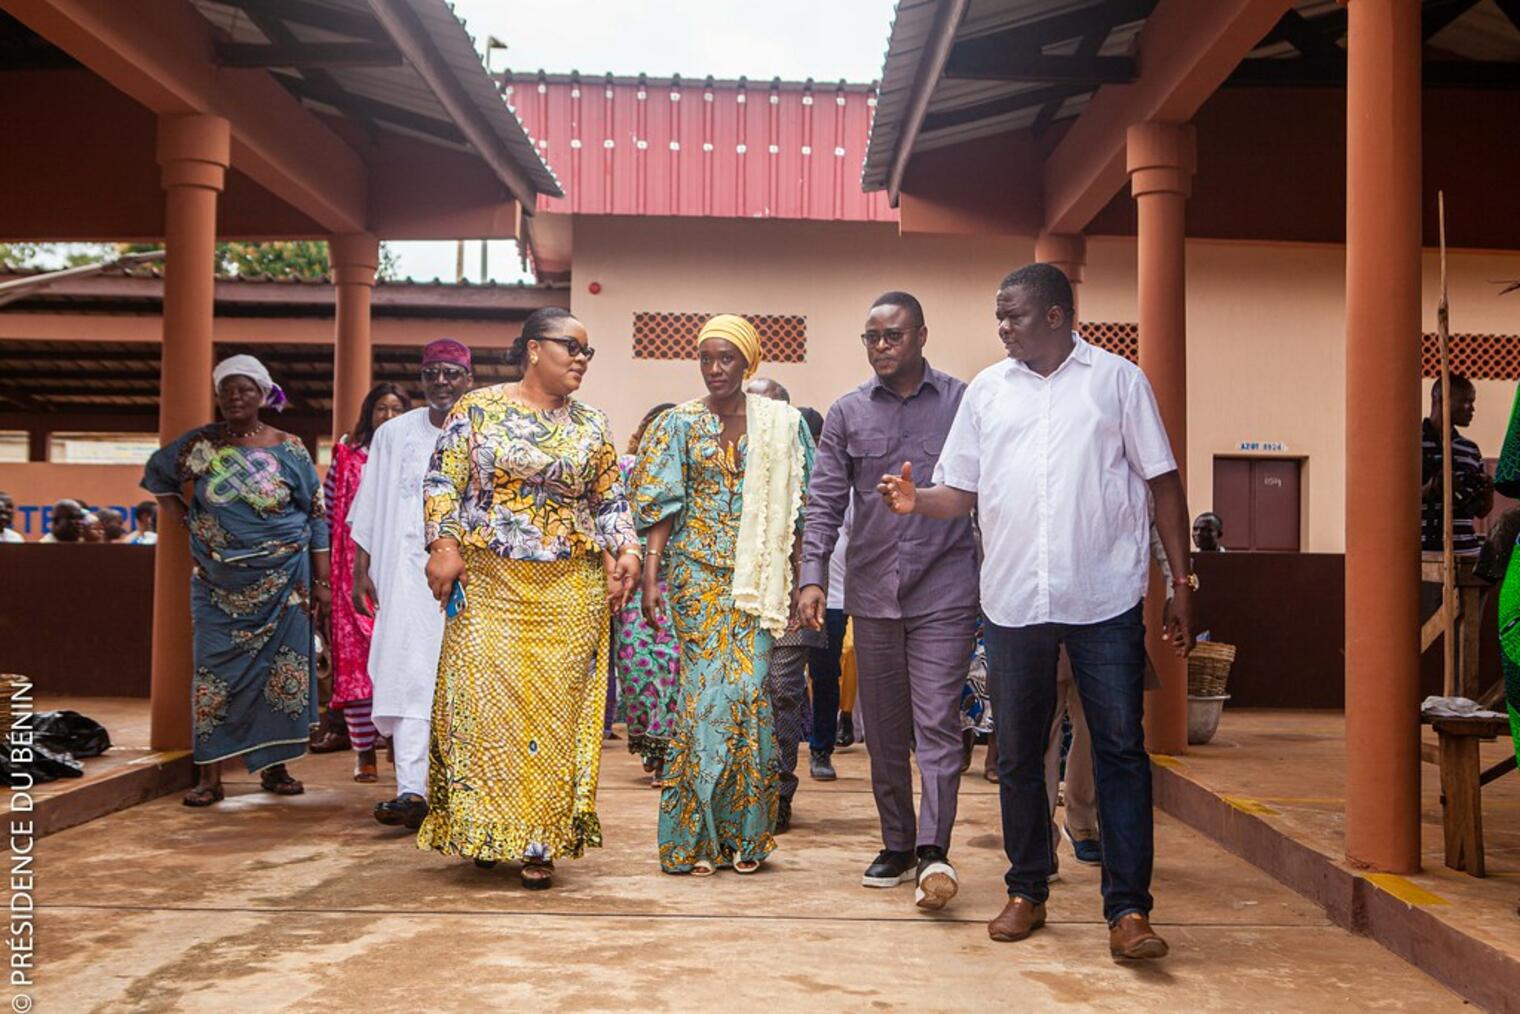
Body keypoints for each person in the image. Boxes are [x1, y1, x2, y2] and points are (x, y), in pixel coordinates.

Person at [878, 263, 1195, 960]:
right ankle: (1027, 890)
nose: (1002, 327)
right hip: (1016, 600)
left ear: (1056, 315)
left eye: (1013, 315)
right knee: (1018, 754)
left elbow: (1164, 484)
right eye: (1000, 315)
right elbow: (957, 492)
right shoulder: (988, 393)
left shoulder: (1117, 382)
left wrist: (1180, 581)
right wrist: (915, 501)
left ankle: (1129, 911)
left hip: (1104, 597)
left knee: (1118, 752)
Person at [421, 308, 639, 889]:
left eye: (588, 352)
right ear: (534, 349)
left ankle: (539, 838)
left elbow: (610, 500)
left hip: (569, 587)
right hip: (490, 582)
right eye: (572, 347)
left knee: (553, 713)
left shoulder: (592, 423)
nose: (581, 359)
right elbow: (443, 481)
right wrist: (442, 543)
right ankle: (488, 827)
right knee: (483, 707)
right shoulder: (479, 410)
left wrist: (628, 553)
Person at [798, 289, 979, 912]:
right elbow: (823, 503)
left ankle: (934, 848)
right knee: (882, 728)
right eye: (871, 337)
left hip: (947, 589)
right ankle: (897, 844)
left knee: (936, 722)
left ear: (922, 336)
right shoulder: (847, 413)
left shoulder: (962, 403)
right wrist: (812, 574)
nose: (880, 346)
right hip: (873, 592)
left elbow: (986, 488)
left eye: (892, 336)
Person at [632, 314, 815, 876]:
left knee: (748, 696)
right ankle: (693, 837)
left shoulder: (782, 424)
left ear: (747, 363)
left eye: (726, 358)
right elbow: (661, 503)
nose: (715, 369)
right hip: (695, 579)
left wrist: (802, 578)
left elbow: (803, 508)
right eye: (706, 358)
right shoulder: (679, 424)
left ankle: (743, 836)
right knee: (702, 699)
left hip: (758, 582)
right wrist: (650, 574)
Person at [142, 354, 330, 806]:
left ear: (263, 394)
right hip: (217, 586)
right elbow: (157, 475)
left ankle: (275, 769)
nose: (234, 397)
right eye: (226, 390)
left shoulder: (289, 448)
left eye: (245, 389)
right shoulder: (202, 446)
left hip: (286, 583)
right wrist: (187, 520)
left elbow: (316, 513)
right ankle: (209, 777)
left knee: (278, 675)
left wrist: (322, 581)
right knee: (214, 676)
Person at [351, 341, 474, 830]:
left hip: (470, 579)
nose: (441, 382)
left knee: (466, 681)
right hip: (404, 577)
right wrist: (363, 569)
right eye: (431, 373)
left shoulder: (483, 427)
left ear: (469, 377)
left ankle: (464, 791)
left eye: (451, 373)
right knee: (408, 676)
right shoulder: (394, 434)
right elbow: (370, 505)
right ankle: (411, 790)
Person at [325, 382, 411, 784]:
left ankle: (396, 744)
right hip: (351, 571)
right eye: (381, 408)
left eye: (397, 409)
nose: (388, 417)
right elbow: (329, 513)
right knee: (356, 665)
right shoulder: (348, 455)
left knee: (397, 659)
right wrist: (329, 576)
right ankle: (364, 752)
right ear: (368, 412)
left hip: (398, 569)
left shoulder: (412, 453)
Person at [760, 403, 829, 833]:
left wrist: (810, 584)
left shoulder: (804, 464)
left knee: (783, 691)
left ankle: (780, 793)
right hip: (737, 601)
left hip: (788, 600)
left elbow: (817, 526)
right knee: (745, 697)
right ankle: (746, 791)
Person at [614, 402, 681, 786]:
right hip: (631, 586)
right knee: (638, 674)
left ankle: (666, 753)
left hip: (676, 584)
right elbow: (605, 519)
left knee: (671, 668)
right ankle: (649, 744)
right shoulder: (625, 469)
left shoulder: (684, 475)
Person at [1422, 374, 1491, 557]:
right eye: (1466, 401)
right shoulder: (1412, 444)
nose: (1472, 409)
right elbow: (1393, 500)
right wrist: (1432, 488)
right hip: (1426, 555)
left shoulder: (1470, 449)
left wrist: (1488, 490)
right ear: (1440, 397)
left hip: (1468, 552)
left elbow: (1482, 512)